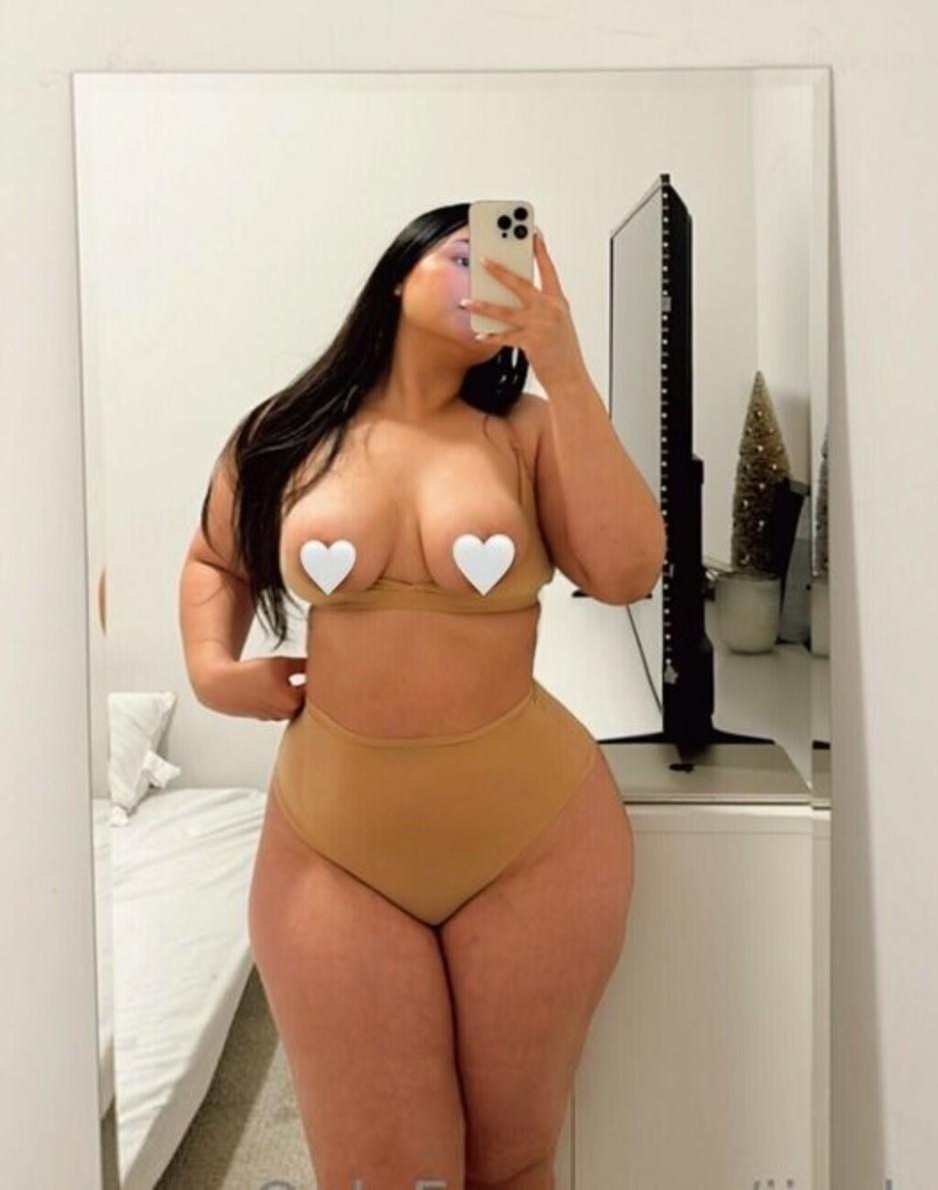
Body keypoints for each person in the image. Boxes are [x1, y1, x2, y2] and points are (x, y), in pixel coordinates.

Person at [179, 204, 665, 1190]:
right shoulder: (288, 432)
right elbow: (214, 559)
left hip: (535, 839)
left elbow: (625, 570)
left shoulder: (527, 431)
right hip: (331, 848)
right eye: (465, 254)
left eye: (512, 258)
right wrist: (215, 672)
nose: (494, 275)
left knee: (513, 1164)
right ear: (396, 274)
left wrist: (566, 367)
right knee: (383, 1173)